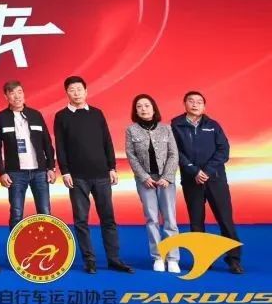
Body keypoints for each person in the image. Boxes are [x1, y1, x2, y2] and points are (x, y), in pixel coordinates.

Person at [53, 76, 132, 274]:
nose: (76, 93)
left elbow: (107, 141)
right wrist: (65, 171)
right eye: (72, 90)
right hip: (77, 177)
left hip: (101, 174)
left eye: (79, 89)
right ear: (67, 93)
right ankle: (89, 260)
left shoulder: (97, 113)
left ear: (86, 91)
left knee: (108, 218)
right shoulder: (61, 116)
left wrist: (112, 167)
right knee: (81, 220)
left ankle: (114, 259)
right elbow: (60, 146)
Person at [170, 91, 243, 274]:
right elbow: (175, 152)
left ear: (204, 106)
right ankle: (202, 258)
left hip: (215, 179)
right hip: (191, 180)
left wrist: (207, 171)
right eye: (191, 101)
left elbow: (223, 150)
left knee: (225, 220)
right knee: (196, 222)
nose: (195, 104)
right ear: (185, 104)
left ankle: (234, 260)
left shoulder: (213, 125)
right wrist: (194, 171)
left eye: (199, 102)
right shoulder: (176, 125)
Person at [124, 94, 180, 273]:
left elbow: (173, 154)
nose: (143, 109)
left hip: (165, 180)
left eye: (147, 105)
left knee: (170, 219)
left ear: (154, 108)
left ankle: (173, 258)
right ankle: (158, 257)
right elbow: (131, 156)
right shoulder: (131, 130)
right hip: (145, 181)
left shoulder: (166, 129)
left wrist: (167, 177)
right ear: (135, 111)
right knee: (152, 219)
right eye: (139, 106)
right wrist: (144, 177)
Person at [0, 80, 55, 228]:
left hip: (40, 172)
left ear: (24, 94)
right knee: (16, 213)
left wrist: (51, 167)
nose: (17, 96)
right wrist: (2, 172)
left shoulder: (35, 115)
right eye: (12, 93)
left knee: (45, 212)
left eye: (19, 92)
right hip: (15, 173)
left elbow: (47, 142)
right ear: (6, 96)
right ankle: (15, 243)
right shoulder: (1, 117)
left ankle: (47, 241)